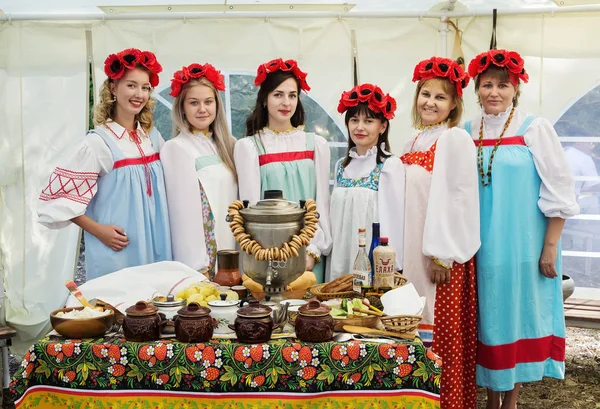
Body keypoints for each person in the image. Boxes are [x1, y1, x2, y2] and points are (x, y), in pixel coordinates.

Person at [464, 49, 579, 409]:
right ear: (477, 89)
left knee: (515, 312)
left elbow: (559, 189)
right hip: (479, 244)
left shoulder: (534, 128)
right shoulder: (465, 131)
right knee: (487, 313)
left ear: (516, 88)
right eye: (486, 85)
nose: (494, 92)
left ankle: (510, 401)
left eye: (503, 84)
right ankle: (489, 398)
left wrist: (550, 246)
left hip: (523, 243)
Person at [38, 48, 172, 279]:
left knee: (155, 308)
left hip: (157, 242)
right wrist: (99, 231)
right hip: (119, 247)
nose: (139, 93)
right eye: (131, 85)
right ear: (113, 87)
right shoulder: (97, 143)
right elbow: (59, 198)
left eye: (145, 87)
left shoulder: (152, 137)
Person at [400, 56, 480, 409]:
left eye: (440, 97)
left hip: (437, 255)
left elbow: (458, 198)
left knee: (440, 337)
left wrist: (442, 253)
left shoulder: (453, 139)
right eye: (425, 93)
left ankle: (444, 402)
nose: (430, 102)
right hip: (412, 250)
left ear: (454, 105)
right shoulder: (414, 139)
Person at [234, 58, 332, 273]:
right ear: (264, 100)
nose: (286, 103)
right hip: (267, 256)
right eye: (278, 95)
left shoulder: (316, 145)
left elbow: (321, 206)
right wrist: (264, 254)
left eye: (292, 95)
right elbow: (249, 212)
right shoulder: (249, 147)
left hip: (309, 255)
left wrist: (313, 251)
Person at [161, 63, 238, 276]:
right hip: (205, 257)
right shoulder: (176, 148)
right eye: (194, 102)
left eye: (208, 102)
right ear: (182, 107)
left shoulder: (229, 144)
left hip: (231, 244)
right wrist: (197, 265)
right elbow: (182, 215)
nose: (202, 109)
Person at [327, 84, 404, 281]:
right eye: (354, 120)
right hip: (340, 259)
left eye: (368, 121)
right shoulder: (340, 167)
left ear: (383, 126)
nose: (359, 127)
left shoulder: (389, 165)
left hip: (371, 260)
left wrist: (392, 265)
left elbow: (394, 221)